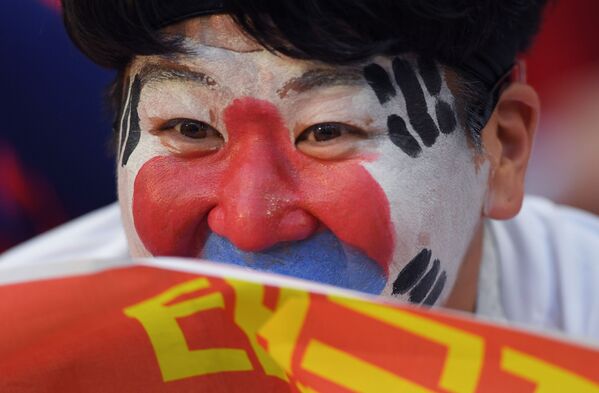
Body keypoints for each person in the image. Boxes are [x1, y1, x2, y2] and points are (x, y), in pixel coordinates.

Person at [1, 0, 598, 341]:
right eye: (189, 129)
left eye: (327, 131)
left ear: (503, 151)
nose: (249, 224)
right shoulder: (28, 344)